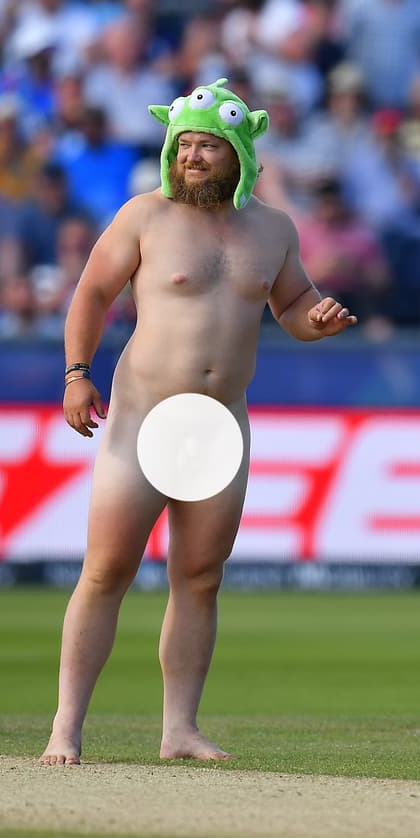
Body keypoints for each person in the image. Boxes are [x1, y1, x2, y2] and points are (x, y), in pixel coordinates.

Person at [39, 79, 356, 765]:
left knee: (201, 575)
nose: (192, 156)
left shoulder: (273, 228)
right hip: (141, 420)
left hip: (221, 425)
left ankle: (178, 729)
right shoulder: (143, 217)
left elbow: (294, 305)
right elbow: (91, 291)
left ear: (238, 151)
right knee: (107, 571)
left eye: (208, 145)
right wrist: (76, 373)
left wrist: (318, 320)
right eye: (183, 144)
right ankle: (66, 726)